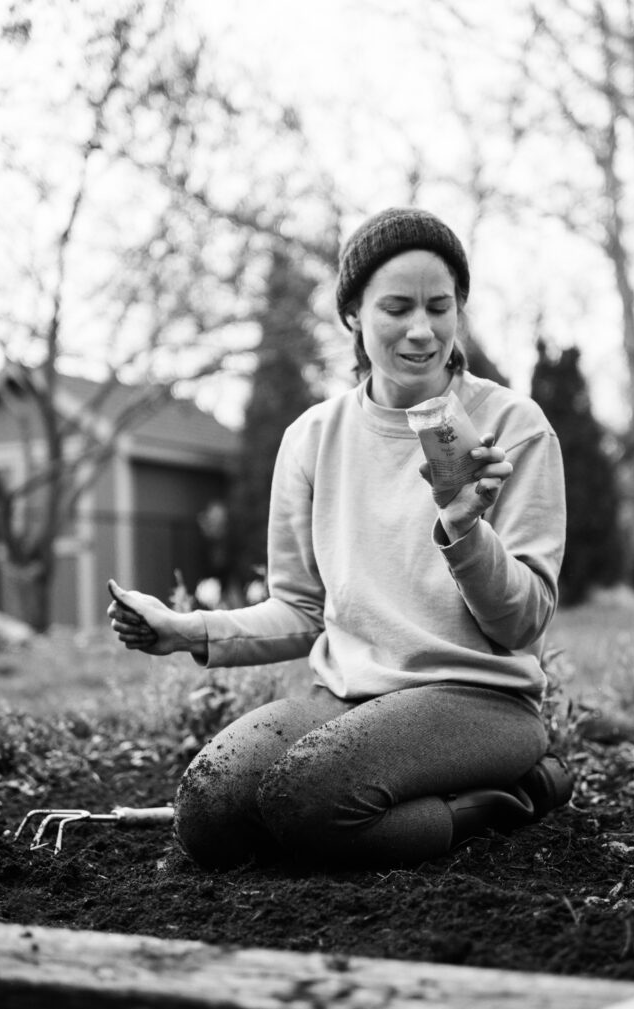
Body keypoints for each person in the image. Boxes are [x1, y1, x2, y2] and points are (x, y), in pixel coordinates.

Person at [108, 207, 572, 870]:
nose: (422, 330)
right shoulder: (312, 438)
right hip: (348, 699)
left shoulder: (513, 427)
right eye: (396, 308)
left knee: (311, 799)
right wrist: (187, 630)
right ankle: (344, 819)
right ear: (353, 314)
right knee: (209, 808)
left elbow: (522, 620)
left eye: (441, 307)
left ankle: (512, 795)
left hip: (478, 699)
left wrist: (464, 525)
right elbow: (300, 608)